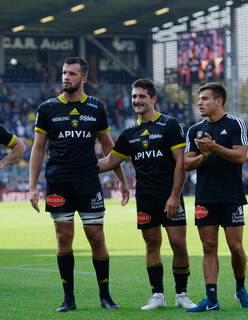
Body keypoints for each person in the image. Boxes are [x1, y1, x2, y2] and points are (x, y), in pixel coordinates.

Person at [29, 57, 130, 312]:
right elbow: (38, 149)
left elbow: (108, 146)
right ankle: (68, 299)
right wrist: (33, 186)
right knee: (64, 239)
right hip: (58, 182)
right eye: (64, 73)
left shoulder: (96, 107)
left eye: (72, 74)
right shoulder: (47, 108)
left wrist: (122, 180)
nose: (66, 77)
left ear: (83, 79)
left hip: (87, 180)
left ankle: (105, 296)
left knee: (96, 237)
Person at [98, 78, 196, 310]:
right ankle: (157, 295)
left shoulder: (170, 125)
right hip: (145, 197)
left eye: (142, 96)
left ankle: (182, 293)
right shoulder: (129, 133)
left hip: (169, 195)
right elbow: (110, 161)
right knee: (151, 244)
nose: (137, 101)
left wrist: (174, 196)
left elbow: (180, 163)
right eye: (134, 97)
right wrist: (79, 165)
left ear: (153, 99)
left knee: (178, 244)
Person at [184, 82, 248, 312]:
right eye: (199, 99)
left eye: (204, 99)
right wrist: (203, 156)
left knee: (235, 246)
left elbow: (241, 156)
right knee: (209, 246)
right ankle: (211, 299)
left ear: (219, 101)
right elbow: (186, 163)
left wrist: (213, 147)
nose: (199, 103)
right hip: (205, 196)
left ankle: (240, 288)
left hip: (231, 195)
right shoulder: (194, 130)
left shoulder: (235, 124)